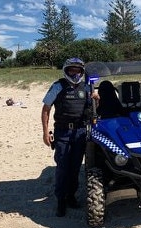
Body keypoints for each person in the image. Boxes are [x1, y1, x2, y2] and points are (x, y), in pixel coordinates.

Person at [41, 57, 99, 217]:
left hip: (80, 132)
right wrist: (45, 132)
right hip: (62, 133)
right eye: (72, 70)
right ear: (66, 71)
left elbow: (92, 110)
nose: (75, 73)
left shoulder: (87, 88)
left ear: (82, 72)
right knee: (62, 167)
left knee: (75, 168)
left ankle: (71, 196)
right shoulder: (58, 86)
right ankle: (61, 199)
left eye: (78, 70)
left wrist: (96, 100)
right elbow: (46, 109)